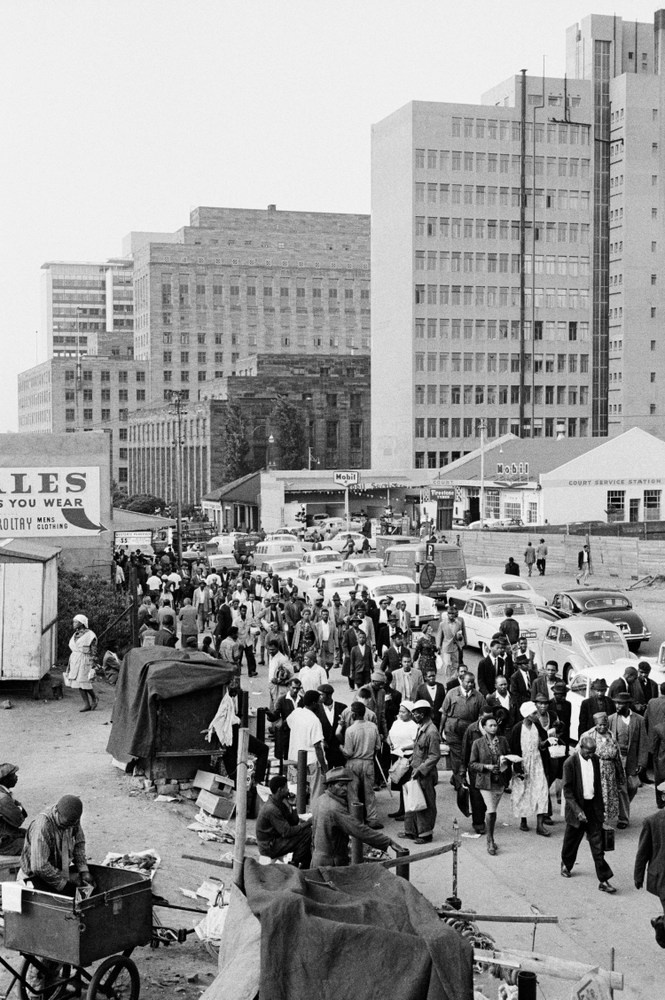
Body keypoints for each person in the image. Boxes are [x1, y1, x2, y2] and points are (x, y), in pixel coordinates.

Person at [311, 767, 402, 867]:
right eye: (340, 785)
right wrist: (388, 841)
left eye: (346, 785)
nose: (345, 788)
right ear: (330, 786)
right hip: (331, 863)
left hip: (318, 858)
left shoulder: (321, 799)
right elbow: (359, 830)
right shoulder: (334, 808)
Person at [560, 737, 616, 893]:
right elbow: (568, 791)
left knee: (598, 846)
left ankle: (604, 880)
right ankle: (566, 863)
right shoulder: (570, 763)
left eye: (593, 752)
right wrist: (578, 811)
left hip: (592, 808)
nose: (591, 755)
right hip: (577, 807)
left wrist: (601, 809)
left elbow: (597, 786)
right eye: (588, 752)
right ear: (580, 748)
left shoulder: (595, 760)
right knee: (571, 841)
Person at [19, 795, 94, 895]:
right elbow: (39, 867)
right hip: (33, 879)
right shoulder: (43, 826)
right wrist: (67, 877)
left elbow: (78, 844)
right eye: (68, 823)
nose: (71, 826)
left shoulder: (72, 819)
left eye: (75, 822)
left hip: (56, 873)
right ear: (57, 813)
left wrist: (83, 870)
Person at [469, 715, 512, 855]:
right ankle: (490, 840)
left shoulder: (503, 741)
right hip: (485, 782)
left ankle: (491, 836)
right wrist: (486, 766)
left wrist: (507, 761)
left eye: (495, 725)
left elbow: (509, 755)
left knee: (493, 810)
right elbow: (472, 763)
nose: (494, 728)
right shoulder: (478, 743)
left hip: (499, 780)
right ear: (484, 727)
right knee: (491, 809)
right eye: (490, 725)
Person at [402, 700, 441, 844]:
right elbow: (419, 748)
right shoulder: (422, 728)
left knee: (425, 803)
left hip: (425, 774)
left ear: (422, 714)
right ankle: (412, 831)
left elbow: (434, 755)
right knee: (413, 802)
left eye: (416, 713)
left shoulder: (431, 732)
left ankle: (425, 834)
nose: (413, 716)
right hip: (416, 770)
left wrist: (420, 769)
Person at [510, 701, 551, 837]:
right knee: (524, 791)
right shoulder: (517, 729)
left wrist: (549, 741)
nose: (537, 715)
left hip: (537, 763)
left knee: (541, 790)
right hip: (523, 764)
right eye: (534, 713)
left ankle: (540, 825)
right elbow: (513, 748)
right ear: (527, 715)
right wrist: (517, 767)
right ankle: (524, 820)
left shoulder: (537, 726)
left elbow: (541, 744)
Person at [580, 712, 626, 830]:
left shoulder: (611, 736)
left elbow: (617, 758)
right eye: (600, 725)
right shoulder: (589, 735)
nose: (602, 727)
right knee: (595, 798)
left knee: (607, 799)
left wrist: (621, 776)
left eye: (604, 725)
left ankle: (603, 824)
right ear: (595, 724)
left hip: (610, 773)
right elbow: (580, 754)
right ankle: (593, 824)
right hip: (595, 772)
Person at [441, 672, 487, 789]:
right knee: (456, 756)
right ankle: (459, 783)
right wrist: (440, 730)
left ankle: (462, 778)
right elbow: (444, 713)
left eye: (472, 682)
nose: (471, 684)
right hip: (453, 729)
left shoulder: (478, 696)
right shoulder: (452, 693)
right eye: (468, 682)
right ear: (461, 680)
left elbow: (483, 715)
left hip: (470, 730)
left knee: (469, 755)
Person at [255, 775, 312, 868]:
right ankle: (294, 864)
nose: (288, 790)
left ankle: (301, 863)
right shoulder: (272, 809)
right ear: (280, 790)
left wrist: (293, 805)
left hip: (274, 841)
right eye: (286, 788)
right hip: (269, 847)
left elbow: (294, 821)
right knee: (306, 833)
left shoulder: (279, 803)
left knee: (305, 832)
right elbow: (287, 832)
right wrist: (307, 823)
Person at [609, 692, 648, 828]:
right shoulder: (611, 719)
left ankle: (622, 807)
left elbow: (643, 742)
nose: (617, 706)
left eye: (621, 703)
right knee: (622, 789)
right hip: (616, 759)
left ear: (628, 704)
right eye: (616, 703)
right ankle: (623, 819)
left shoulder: (639, 720)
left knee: (633, 786)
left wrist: (642, 762)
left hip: (632, 759)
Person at [342, 702, 383, 828]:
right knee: (369, 792)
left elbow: (348, 752)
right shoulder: (373, 727)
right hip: (369, 762)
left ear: (353, 714)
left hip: (353, 763)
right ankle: (372, 819)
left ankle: (356, 819)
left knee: (353, 792)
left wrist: (340, 748)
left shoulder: (350, 730)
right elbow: (378, 746)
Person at [288, 690, 327, 803]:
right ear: (314, 703)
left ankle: (296, 812)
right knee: (316, 790)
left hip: (295, 757)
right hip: (311, 761)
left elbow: (288, 724)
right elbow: (318, 747)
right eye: (319, 703)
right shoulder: (315, 721)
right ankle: (315, 813)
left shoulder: (296, 712)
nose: (320, 706)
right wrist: (324, 767)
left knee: (296, 788)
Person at [634, 806, 665, 944]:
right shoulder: (653, 821)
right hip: (663, 878)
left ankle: (660, 923)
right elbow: (643, 851)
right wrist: (638, 875)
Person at [387, 700, 417, 821]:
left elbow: (416, 743)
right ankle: (401, 809)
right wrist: (389, 743)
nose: (400, 714)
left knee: (406, 785)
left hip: (407, 757)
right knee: (399, 785)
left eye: (403, 712)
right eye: (399, 711)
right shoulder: (396, 723)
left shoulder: (414, 726)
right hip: (396, 755)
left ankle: (407, 812)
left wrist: (405, 748)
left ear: (410, 713)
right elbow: (389, 735)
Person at [66, 614, 98, 713]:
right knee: (78, 682)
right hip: (75, 660)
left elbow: (93, 650)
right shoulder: (75, 634)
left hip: (85, 659)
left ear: (81, 623)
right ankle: (86, 704)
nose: (73, 624)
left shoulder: (90, 635)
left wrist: (93, 663)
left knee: (84, 681)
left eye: (75, 622)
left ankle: (94, 697)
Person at [267, 677, 303, 763]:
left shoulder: (302, 700)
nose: (295, 690)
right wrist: (269, 714)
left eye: (297, 688)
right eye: (293, 688)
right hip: (287, 732)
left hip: (299, 732)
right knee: (286, 755)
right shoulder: (282, 700)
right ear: (289, 687)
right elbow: (276, 715)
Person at [314, 684, 347, 769]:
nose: (319, 697)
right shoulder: (316, 709)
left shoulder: (342, 708)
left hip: (338, 750)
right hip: (324, 750)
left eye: (321, 694)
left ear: (329, 695)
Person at [0, 763, 27, 855]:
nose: (16, 777)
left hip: (7, 834)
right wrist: (19, 808)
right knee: (37, 845)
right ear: (5, 779)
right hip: (4, 842)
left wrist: (18, 808)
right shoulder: (3, 798)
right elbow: (18, 820)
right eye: (13, 775)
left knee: (33, 834)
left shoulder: (4, 793)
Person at [437, 607, 466, 683]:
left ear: (455, 614)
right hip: (446, 648)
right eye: (450, 613)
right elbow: (439, 635)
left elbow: (461, 636)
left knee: (455, 664)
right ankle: (448, 681)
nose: (451, 615)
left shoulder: (458, 623)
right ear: (447, 614)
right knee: (447, 665)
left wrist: (460, 639)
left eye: (453, 613)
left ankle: (453, 681)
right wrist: (438, 646)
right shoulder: (442, 624)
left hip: (455, 647)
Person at [415, 666, 446, 730]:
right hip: (426, 719)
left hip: (438, 718)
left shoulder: (440, 687)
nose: (432, 678)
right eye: (430, 676)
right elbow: (417, 703)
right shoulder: (421, 688)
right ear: (425, 677)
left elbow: (444, 701)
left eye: (433, 676)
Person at [314, 607, 339, 675]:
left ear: (328, 615)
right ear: (321, 615)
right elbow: (315, 636)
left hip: (329, 643)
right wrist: (315, 645)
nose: (325, 616)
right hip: (321, 644)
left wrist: (337, 645)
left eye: (326, 614)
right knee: (321, 661)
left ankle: (326, 670)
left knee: (330, 661)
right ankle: (323, 675)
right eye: (324, 614)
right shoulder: (317, 625)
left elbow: (335, 635)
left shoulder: (332, 624)